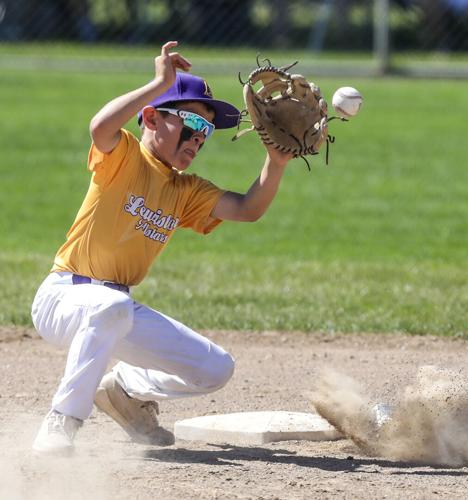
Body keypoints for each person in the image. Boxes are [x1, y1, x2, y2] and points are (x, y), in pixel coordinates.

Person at [30, 41, 297, 455]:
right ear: (152, 117)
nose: (199, 139)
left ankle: (122, 390)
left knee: (215, 368)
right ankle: (62, 420)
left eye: (208, 131)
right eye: (193, 123)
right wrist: (157, 84)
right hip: (63, 297)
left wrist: (274, 165)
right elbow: (100, 127)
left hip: (117, 309)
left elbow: (247, 209)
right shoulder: (126, 156)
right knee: (109, 308)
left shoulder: (184, 190)